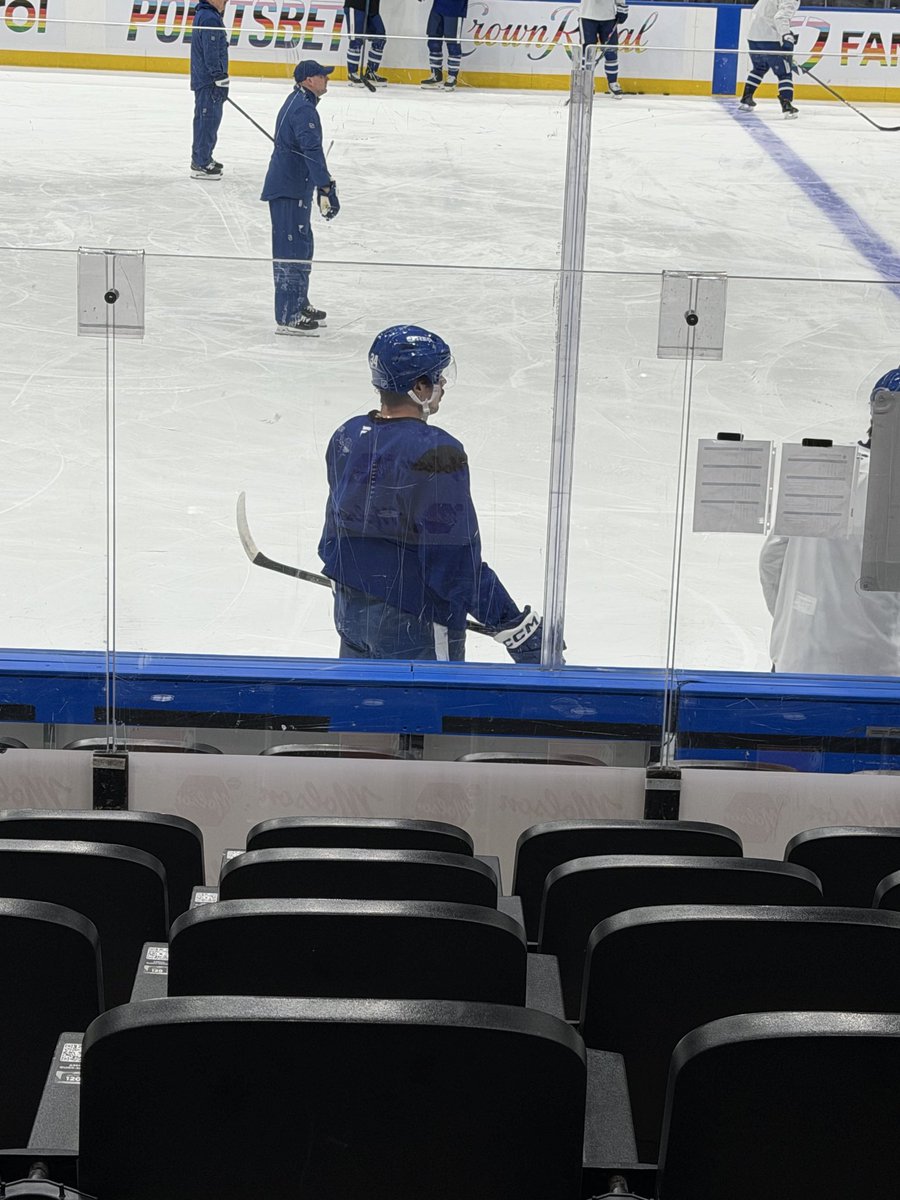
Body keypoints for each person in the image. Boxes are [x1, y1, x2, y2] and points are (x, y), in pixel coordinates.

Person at [318, 325, 545, 662]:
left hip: (350, 611)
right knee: (421, 713)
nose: (443, 385)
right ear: (418, 387)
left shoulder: (347, 434)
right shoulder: (437, 451)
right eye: (436, 378)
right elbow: (454, 562)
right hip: (414, 625)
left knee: (361, 707)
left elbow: (335, 534)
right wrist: (511, 623)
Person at [759, 367, 900, 675]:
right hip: (880, 672)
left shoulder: (821, 467)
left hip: (798, 660)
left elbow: (772, 559)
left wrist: (798, 626)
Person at [260, 61, 339, 336]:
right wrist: (326, 187)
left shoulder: (300, 102)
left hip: (296, 188)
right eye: (321, 75)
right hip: (288, 190)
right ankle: (287, 314)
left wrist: (319, 186)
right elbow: (312, 151)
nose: (327, 79)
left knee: (302, 248)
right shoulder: (303, 108)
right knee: (290, 251)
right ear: (307, 80)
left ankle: (299, 302)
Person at [739, 0, 801, 120]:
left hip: (753, 37)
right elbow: (780, 17)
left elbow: (760, 12)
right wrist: (786, 35)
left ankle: (746, 99)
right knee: (784, 73)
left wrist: (786, 32)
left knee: (759, 68)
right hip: (770, 39)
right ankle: (787, 105)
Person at [189, 0, 230, 179]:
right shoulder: (209, 18)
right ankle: (201, 162)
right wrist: (218, 75)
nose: (225, 3)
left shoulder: (207, 15)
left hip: (206, 79)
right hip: (209, 81)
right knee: (208, 121)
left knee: (207, 120)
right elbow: (211, 50)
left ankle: (203, 157)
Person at [579, 0, 629, 98]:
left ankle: (613, 82)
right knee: (587, 53)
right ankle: (587, 83)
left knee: (611, 52)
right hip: (587, 16)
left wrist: (621, 6)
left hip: (608, 18)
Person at [418, 0, 467, 91]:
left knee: (453, 42)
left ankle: (452, 76)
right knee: (433, 41)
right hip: (438, 7)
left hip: (455, 8)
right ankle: (436, 76)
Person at [344, 0, 388, 87]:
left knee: (380, 37)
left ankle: (370, 72)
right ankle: (352, 73)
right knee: (356, 39)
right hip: (356, 5)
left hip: (372, 9)